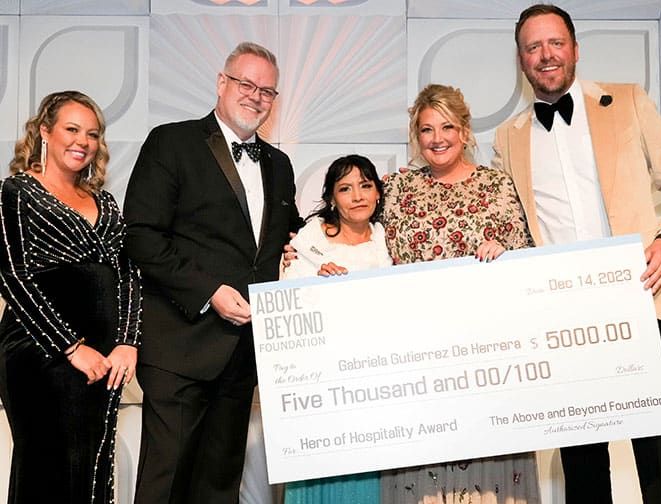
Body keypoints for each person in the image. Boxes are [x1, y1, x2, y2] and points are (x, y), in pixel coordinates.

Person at [492, 4, 661, 504]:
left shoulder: (628, 101)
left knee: (657, 451)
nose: (545, 55)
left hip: (639, 303)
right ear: (521, 60)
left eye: (555, 43)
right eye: (533, 47)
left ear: (575, 49)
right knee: (581, 461)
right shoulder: (507, 137)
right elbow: (513, 227)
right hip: (561, 320)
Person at [123, 42, 303, 504]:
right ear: (222, 84)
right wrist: (209, 292)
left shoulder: (280, 166)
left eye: (267, 90)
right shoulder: (172, 141)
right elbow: (142, 236)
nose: (256, 96)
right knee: (167, 484)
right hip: (181, 347)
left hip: (243, 355)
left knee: (219, 486)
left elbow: (291, 238)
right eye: (247, 84)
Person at [380, 84, 539, 503]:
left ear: (466, 131)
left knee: (488, 466)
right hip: (416, 355)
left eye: (448, 127)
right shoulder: (395, 189)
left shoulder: (499, 186)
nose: (438, 138)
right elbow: (354, 236)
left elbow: (528, 260)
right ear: (416, 136)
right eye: (427, 129)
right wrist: (304, 246)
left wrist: (504, 254)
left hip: (487, 355)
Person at [0, 90, 141, 503]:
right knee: (48, 467)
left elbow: (129, 274)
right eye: (72, 129)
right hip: (38, 353)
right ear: (45, 131)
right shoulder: (16, 192)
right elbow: (12, 275)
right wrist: (70, 347)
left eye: (93, 134)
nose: (83, 141)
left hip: (104, 359)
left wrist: (127, 343)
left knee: (92, 467)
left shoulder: (107, 203)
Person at [281, 154, 392, 503]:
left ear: (377, 193)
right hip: (321, 384)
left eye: (365, 185)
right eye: (345, 188)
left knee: (367, 474)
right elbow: (290, 305)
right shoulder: (309, 240)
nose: (357, 195)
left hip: (373, 382)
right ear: (332, 197)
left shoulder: (386, 237)